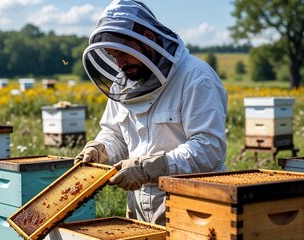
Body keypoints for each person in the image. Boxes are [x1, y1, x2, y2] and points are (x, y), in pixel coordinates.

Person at [75, 0, 227, 226]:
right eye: (114, 55)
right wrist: (101, 150)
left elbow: (209, 147)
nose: (120, 64)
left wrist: (154, 166)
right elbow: (115, 134)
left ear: (149, 38)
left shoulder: (195, 78)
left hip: (192, 206)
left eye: (124, 52)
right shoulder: (123, 85)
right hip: (138, 204)